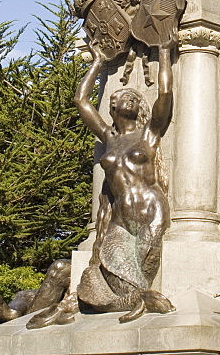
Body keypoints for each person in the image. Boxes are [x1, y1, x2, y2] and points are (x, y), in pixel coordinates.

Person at [72, 36, 175, 323]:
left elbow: (164, 94)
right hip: (119, 216)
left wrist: (164, 51)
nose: (127, 99)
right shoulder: (109, 138)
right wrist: (97, 63)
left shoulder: (148, 134)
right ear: (113, 108)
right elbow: (80, 101)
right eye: (120, 98)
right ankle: (138, 301)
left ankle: (141, 300)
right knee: (113, 272)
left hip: (150, 210)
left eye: (133, 97)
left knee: (142, 272)